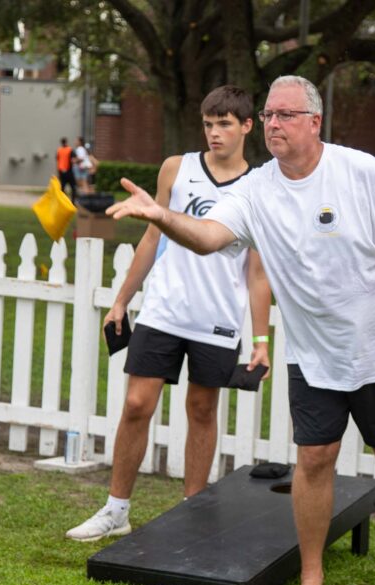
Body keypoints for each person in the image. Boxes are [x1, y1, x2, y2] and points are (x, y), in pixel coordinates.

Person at [106, 75, 375, 585]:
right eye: (266, 116)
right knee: (313, 458)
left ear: (315, 121)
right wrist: (162, 216)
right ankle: (312, 579)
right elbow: (211, 236)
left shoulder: (367, 175)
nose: (272, 125)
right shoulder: (257, 189)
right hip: (313, 353)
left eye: (284, 115)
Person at [66, 85, 272, 542]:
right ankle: (116, 510)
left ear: (246, 126)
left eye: (224, 124)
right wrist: (121, 300)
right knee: (137, 404)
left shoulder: (260, 189)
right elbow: (151, 239)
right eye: (208, 123)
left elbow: (258, 274)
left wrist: (261, 340)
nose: (214, 133)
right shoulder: (176, 169)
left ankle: (191, 511)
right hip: (163, 310)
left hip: (216, 319)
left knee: (202, 409)